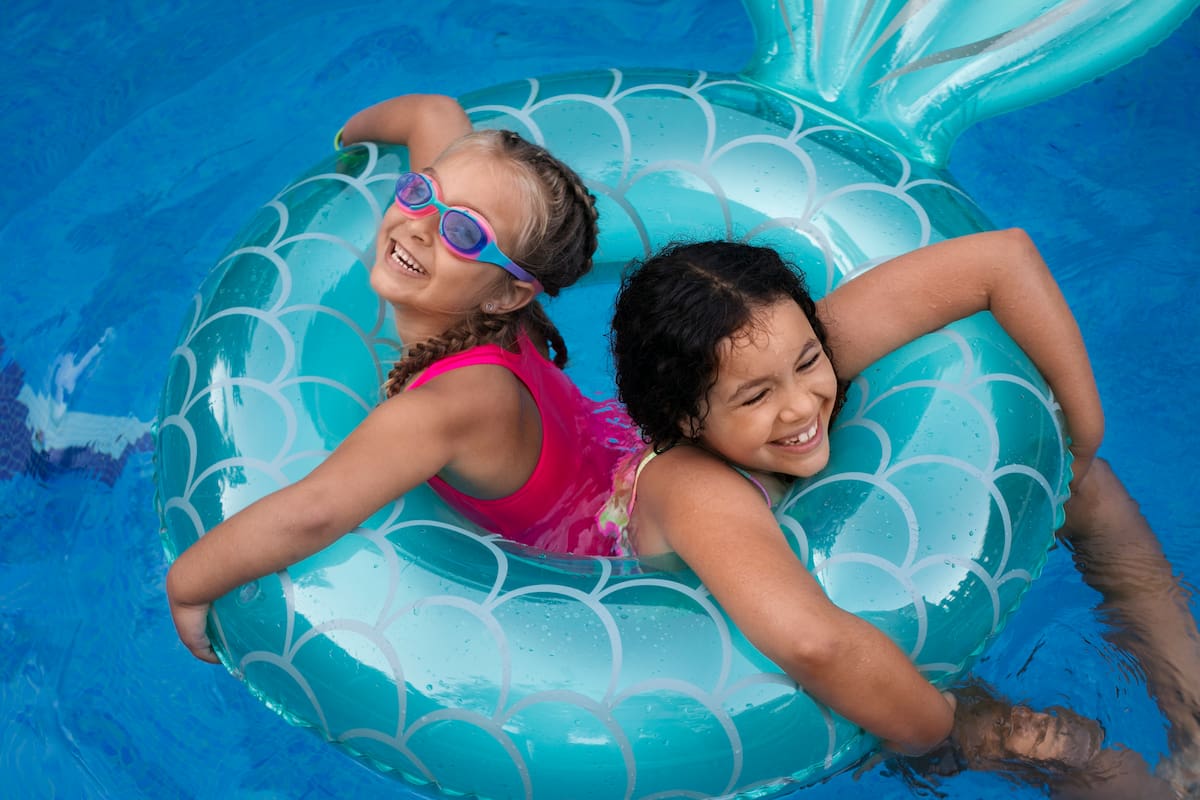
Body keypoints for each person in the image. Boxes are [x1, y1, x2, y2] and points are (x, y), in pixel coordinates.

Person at [604, 235, 1193, 797]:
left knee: (1086, 488)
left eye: (809, 361)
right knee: (1069, 753)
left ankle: (1191, 710)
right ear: (684, 420)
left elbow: (1002, 258)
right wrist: (957, 726)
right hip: (750, 677)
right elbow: (815, 644)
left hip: (858, 597)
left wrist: (1085, 440)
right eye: (755, 397)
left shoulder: (776, 351)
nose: (802, 405)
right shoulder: (690, 486)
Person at [166, 94, 636, 666]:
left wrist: (186, 583)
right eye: (420, 191)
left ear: (508, 293)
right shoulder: (496, 309)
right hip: (614, 458)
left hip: (602, 545)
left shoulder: (444, 408)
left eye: (464, 233)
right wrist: (346, 141)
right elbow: (431, 114)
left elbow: (315, 511)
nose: (420, 227)